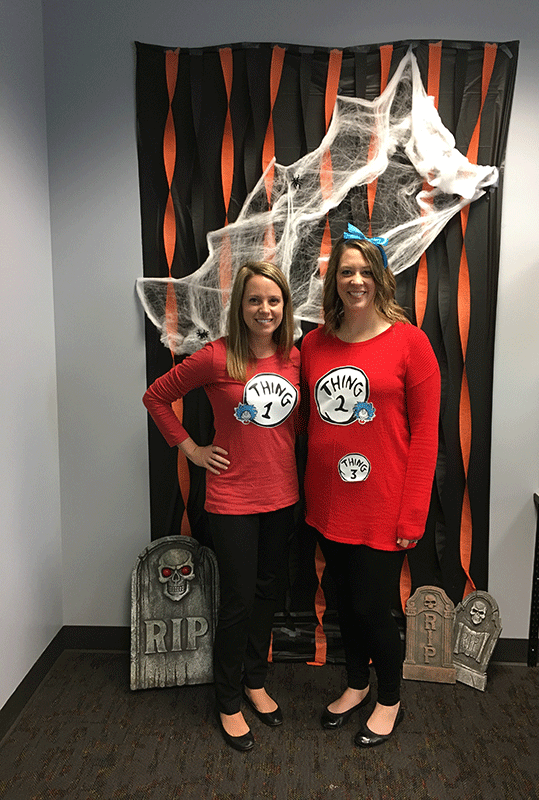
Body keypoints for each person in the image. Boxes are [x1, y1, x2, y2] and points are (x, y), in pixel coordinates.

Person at [143, 262, 300, 752]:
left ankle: (255, 681)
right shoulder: (216, 357)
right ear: (240, 307)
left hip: (284, 496)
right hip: (232, 499)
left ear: (285, 306)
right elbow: (156, 397)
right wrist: (191, 449)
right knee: (238, 602)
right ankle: (228, 699)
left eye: (273, 300)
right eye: (254, 300)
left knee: (268, 592)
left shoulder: (295, 357)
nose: (264, 309)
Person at [301, 224, 441, 748]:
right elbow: (303, 419)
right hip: (329, 502)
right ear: (334, 280)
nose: (355, 280)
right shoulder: (314, 344)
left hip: (383, 505)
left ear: (380, 278)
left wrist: (413, 515)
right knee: (342, 601)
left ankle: (389, 698)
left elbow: (426, 436)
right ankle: (357, 683)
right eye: (346, 271)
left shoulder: (411, 343)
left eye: (365, 271)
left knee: (373, 608)